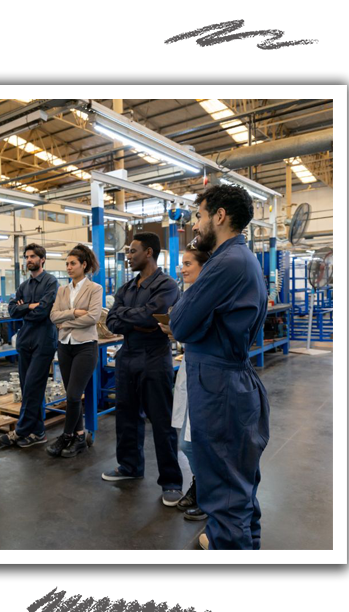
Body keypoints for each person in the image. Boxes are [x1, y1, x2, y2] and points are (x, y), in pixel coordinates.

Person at [166, 184, 270, 551]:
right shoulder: (242, 259)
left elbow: (179, 323)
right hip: (226, 380)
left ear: (219, 216)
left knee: (224, 491)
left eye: (199, 216)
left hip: (219, 386)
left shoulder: (225, 263)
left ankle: (233, 547)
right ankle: (242, 543)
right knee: (238, 486)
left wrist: (188, 311)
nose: (195, 225)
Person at [103, 232, 183, 508]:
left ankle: (171, 481)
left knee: (161, 421)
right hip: (127, 356)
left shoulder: (167, 285)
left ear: (148, 252)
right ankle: (129, 467)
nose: (128, 256)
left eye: (132, 251)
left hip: (154, 357)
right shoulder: (126, 288)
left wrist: (131, 318)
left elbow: (154, 315)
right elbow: (111, 321)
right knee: (125, 416)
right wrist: (136, 320)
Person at [0, 244, 59, 448]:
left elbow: (43, 310)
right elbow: (11, 310)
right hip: (25, 340)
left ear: (42, 259)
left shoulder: (51, 282)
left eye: (33, 256)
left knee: (34, 384)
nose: (29, 260)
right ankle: (38, 431)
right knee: (28, 388)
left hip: (44, 340)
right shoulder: (24, 285)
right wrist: (27, 307)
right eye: (26, 257)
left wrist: (24, 308)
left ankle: (21, 430)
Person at [46, 244, 103, 458]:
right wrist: (74, 312)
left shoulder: (94, 289)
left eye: (73, 263)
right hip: (65, 346)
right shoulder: (62, 290)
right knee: (73, 395)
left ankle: (66, 435)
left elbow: (93, 318)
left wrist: (67, 321)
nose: (69, 267)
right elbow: (53, 316)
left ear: (84, 265)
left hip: (85, 347)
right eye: (67, 264)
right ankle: (80, 437)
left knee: (72, 395)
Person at [167, 245, 210, 521]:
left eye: (188, 263)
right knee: (186, 440)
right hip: (189, 364)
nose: (182, 268)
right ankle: (200, 486)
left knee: (195, 442)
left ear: (204, 266)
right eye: (181, 263)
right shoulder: (188, 293)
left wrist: (177, 328)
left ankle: (208, 494)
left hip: (205, 370)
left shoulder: (205, 295)